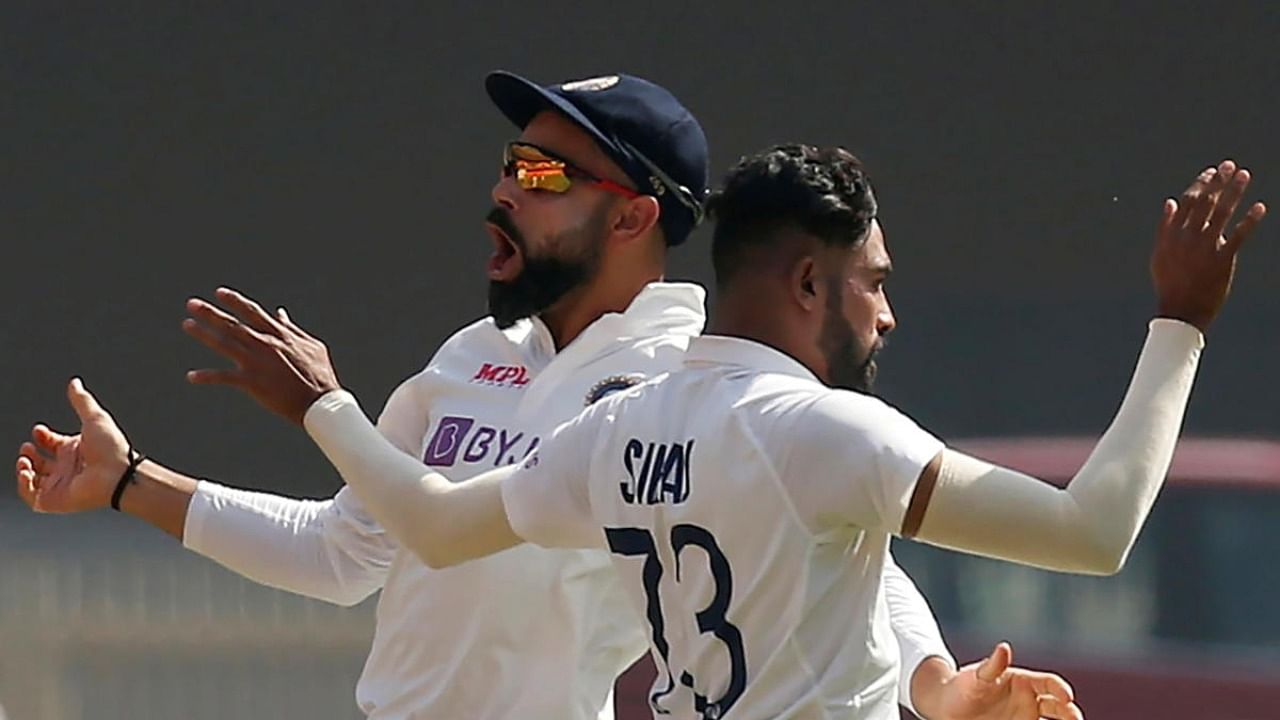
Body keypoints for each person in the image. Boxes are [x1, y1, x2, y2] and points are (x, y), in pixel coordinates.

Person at [12, 77, 1067, 720]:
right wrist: (128, 485)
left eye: (543, 173)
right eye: (509, 163)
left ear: (630, 219)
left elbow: (848, 537)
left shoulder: (689, 374)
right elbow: (348, 553)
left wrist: (929, 685)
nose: (503, 191)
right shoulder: (471, 352)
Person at [140, 145, 1258, 718]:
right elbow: (1093, 530)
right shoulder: (819, 427)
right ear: (808, 283)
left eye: (542, 167)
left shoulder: (627, 419)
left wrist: (324, 408)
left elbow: (429, 525)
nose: (888, 312)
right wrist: (1179, 322)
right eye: (874, 284)